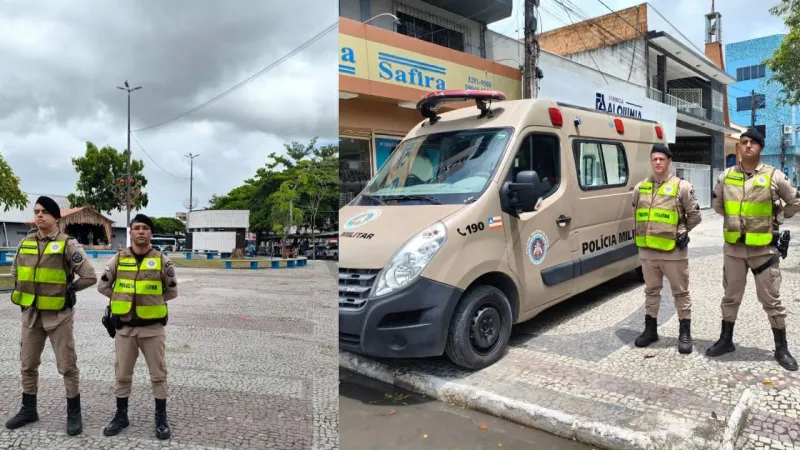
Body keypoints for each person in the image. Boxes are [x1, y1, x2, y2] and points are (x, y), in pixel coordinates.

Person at [707, 128, 800, 371]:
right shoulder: (726, 176)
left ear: (760, 147)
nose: (747, 145)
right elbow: (718, 205)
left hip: (763, 252)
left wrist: (778, 217)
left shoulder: (774, 176)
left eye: (753, 143)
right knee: (730, 296)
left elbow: (795, 201)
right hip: (734, 250)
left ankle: (781, 347)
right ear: (739, 147)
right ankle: (726, 340)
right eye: (743, 142)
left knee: (772, 300)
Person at [6, 196, 97, 435]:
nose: (39, 215)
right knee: (27, 364)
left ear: (56, 217)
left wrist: (71, 290)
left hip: (58, 316)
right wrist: (23, 294)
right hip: (32, 314)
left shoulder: (68, 244)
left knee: (67, 366)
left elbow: (89, 276)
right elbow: (15, 272)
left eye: (45, 211)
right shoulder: (25, 242)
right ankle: (28, 409)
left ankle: (73, 414)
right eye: (36, 211)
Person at [97, 214, 178, 438]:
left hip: (153, 329)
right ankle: (121, 416)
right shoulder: (118, 259)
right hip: (124, 329)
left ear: (151, 233)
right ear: (130, 233)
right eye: (136, 228)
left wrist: (151, 302)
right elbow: (102, 286)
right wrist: (122, 298)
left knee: (158, 375)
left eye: (145, 228)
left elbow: (171, 291)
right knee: (122, 374)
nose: (140, 231)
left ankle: (161, 418)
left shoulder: (162, 260)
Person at [631, 145, 702, 353]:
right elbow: (636, 212)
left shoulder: (682, 187)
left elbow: (695, 216)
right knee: (651, 291)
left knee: (680, 292)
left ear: (669, 161)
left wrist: (682, 230)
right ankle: (650, 329)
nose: (658, 162)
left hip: (673, 252)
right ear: (651, 162)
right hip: (647, 252)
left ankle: (685, 333)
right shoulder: (640, 187)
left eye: (662, 159)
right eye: (655, 159)